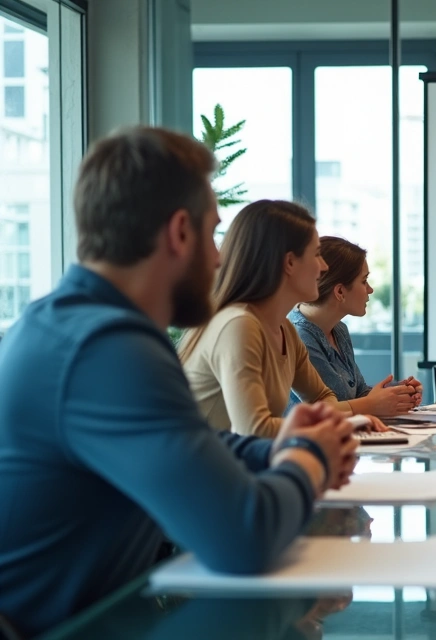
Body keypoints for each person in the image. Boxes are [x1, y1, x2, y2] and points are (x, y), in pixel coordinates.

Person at [0, 127, 357, 636]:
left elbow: (194, 443)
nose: (218, 258)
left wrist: (286, 445)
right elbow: (244, 539)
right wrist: (310, 458)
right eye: (212, 234)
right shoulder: (107, 349)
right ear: (178, 234)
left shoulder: (67, 325)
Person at [179, 200, 387, 437]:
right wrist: (344, 421)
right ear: (289, 262)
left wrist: (342, 419)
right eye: (317, 254)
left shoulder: (285, 329)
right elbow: (255, 429)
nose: (323, 267)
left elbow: (322, 397)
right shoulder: (239, 325)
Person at [289, 236, 422, 417]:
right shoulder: (298, 336)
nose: (370, 290)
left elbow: (358, 395)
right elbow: (326, 410)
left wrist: (398, 393)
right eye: (364, 281)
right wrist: (375, 402)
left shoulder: (339, 329)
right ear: (340, 291)